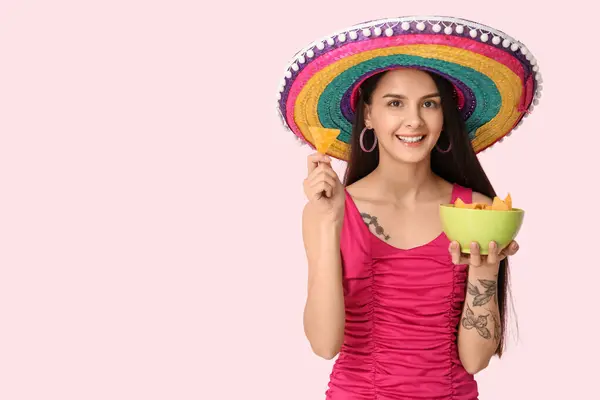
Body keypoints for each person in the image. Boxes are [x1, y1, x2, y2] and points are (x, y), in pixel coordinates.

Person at [277, 16, 541, 400]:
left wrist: (486, 267)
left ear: (444, 116)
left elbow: (475, 360)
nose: (414, 120)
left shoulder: (480, 211)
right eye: (395, 103)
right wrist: (331, 221)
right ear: (368, 114)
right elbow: (324, 344)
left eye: (429, 104)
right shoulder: (328, 209)